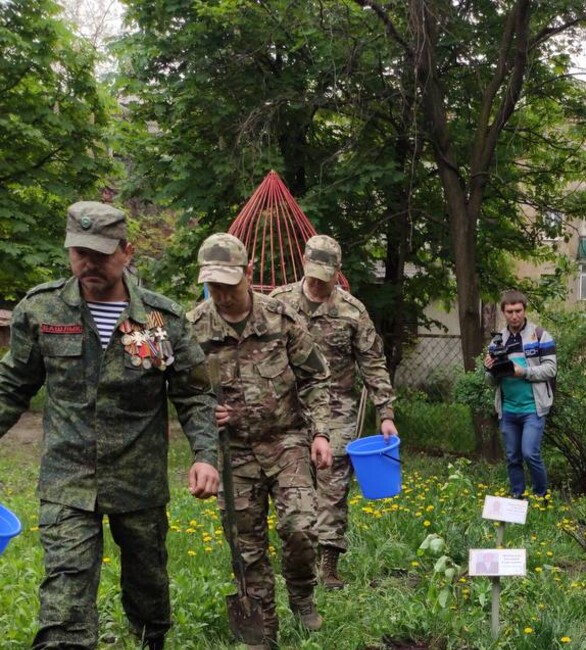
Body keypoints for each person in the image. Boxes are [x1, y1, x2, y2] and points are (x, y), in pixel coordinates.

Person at [0, 202, 220, 650]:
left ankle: (150, 638)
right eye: (79, 252)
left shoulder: (157, 320)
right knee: (65, 598)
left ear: (126, 252)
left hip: (137, 482)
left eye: (100, 253)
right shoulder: (42, 310)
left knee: (147, 586)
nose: (88, 263)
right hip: (68, 479)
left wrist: (204, 456)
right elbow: (11, 386)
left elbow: (194, 394)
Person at [188, 233, 336, 650]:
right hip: (232, 452)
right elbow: (184, 392)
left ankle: (302, 594)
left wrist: (320, 432)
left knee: (301, 528)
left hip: (285, 441)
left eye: (229, 285)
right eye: (212, 286)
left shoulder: (279, 318)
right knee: (246, 547)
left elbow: (315, 377)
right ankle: (261, 630)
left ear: (248, 274)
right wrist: (204, 412)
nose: (221, 295)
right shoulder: (194, 328)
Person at [270, 235, 398, 590]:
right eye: (313, 274)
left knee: (333, 484)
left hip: (338, 408)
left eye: (325, 276)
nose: (317, 282)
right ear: (303, 261)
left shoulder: (352, 311)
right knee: (294, 485)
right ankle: (298, 557)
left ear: (337, 272)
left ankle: (328, 563)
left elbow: (373, 364)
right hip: (289, 409)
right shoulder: (279, 303)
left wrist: (385, 412)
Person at [482, 290, 557, 499]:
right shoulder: (497, 341)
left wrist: (523, 372)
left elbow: (551, 369)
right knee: (512, 456)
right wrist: (488, 369)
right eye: (509, 312)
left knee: (530, 453)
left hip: (533, 408)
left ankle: (541, 497)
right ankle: (517, 498)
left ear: (524, 310)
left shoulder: (540, 336)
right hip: (508, 409)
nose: (514, 316)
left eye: (518, 311)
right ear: (503, 313)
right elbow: (490, 381)